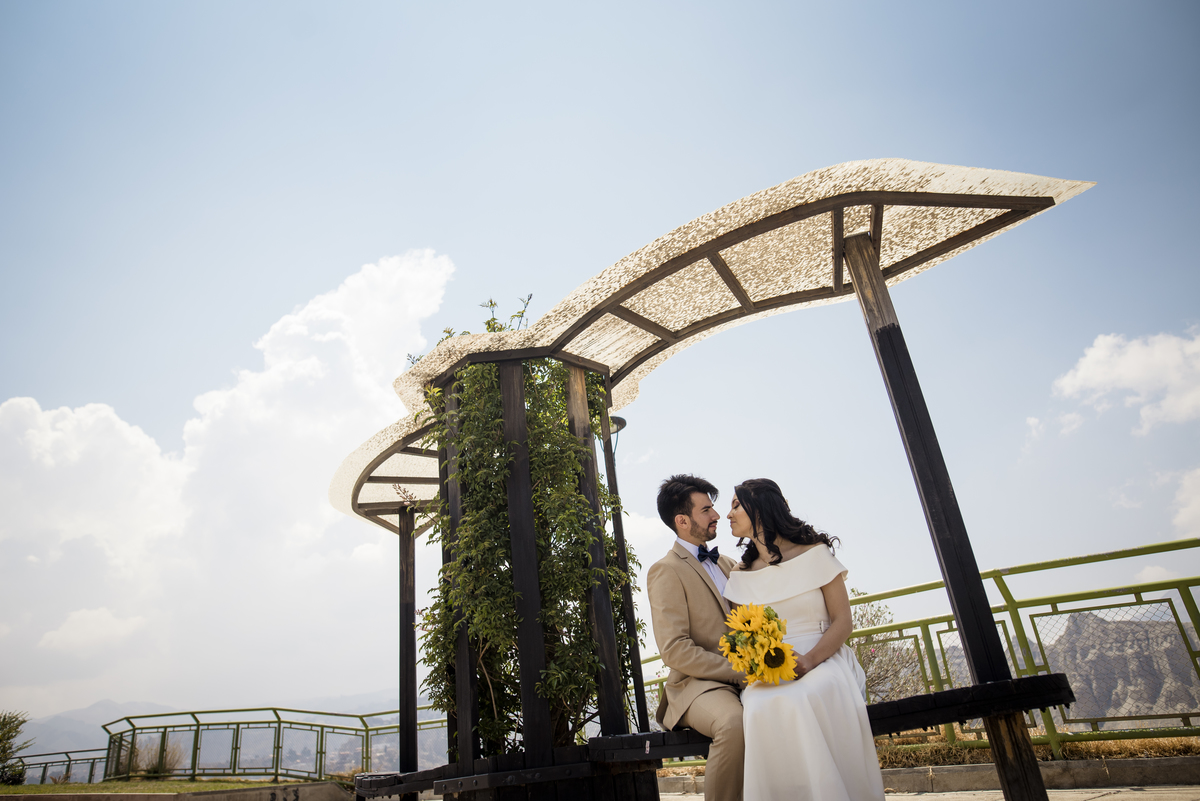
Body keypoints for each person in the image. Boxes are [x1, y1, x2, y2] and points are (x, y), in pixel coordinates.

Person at [722, 478, 885, 801]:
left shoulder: (815, 553)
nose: (728, 514)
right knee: (756, 707)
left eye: (736, 505)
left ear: (761, 509)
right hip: (771, 667)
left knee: (809, 693)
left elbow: (843, 621)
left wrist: (809, 660)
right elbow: (744, 636)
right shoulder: (740, 574)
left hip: (824, 655)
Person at [647, 474, 745, 801]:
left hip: (747, 677)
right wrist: (738, 670)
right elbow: (675, 650)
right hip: (695, 686)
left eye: (714, 508)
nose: (716, 515)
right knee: (733, 723)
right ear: (683, 521)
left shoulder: (732, 565)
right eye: (706, 510)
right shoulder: (665, 570)